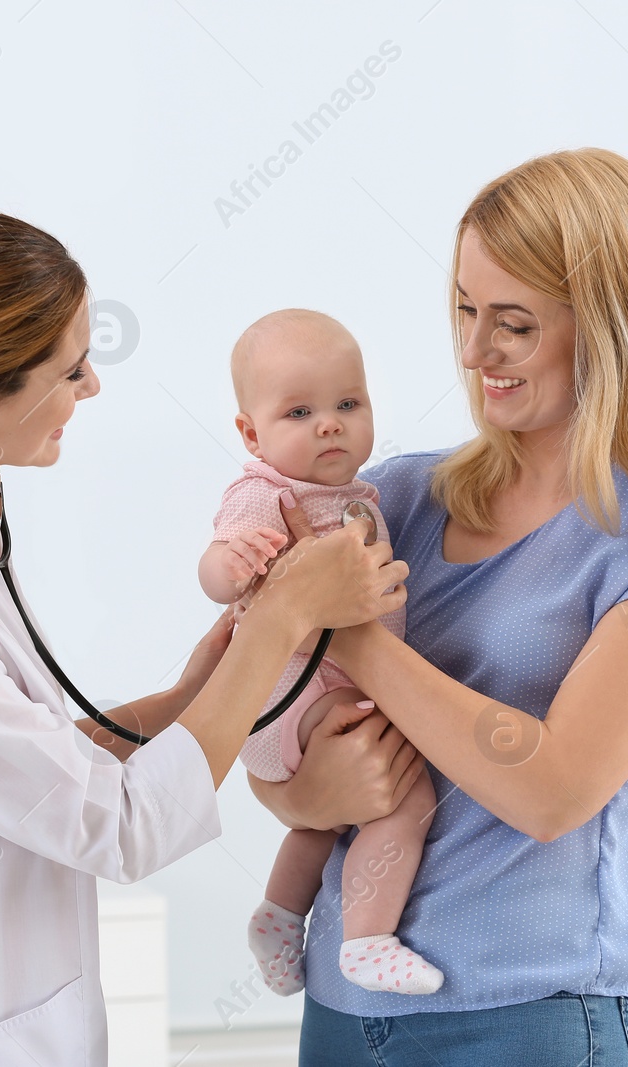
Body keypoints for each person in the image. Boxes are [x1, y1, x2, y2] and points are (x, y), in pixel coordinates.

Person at [0, 208, 409, 1067]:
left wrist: (189, 694)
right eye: (70, 369)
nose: (91, 387)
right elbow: (119, 827)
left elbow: (31, 770)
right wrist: (279, 618)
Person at [249, 148, 628, 1067]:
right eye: (465, 310)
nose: (476, 351)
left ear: (611, 329)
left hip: (527, 1021)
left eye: (514, 324)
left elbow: (554, 790)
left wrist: (357, 638)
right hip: (341, 1013)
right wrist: (300, 789)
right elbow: (274, 713)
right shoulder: (395, 500)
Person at [199, 309, 440, 996]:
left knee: (329, 817)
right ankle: (367, 938)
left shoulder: (362, 496)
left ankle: (278, 915)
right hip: (293, 692)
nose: (329, 423)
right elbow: (216, 573)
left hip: (306, 701)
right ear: (251, 433)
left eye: (347, 404)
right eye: (300, 410)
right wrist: (231, 563)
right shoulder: (265, 493)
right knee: (407, 794)